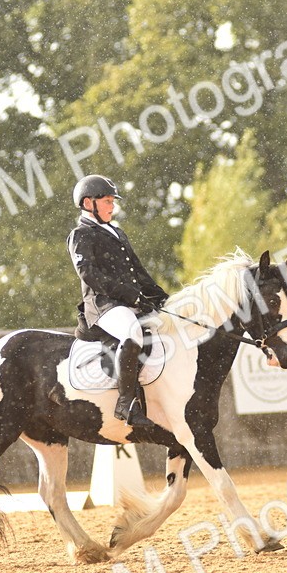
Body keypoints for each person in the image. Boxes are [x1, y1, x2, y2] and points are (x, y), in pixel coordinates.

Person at [66, 174, 170, 428]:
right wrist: (130, 295)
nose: (112, 206)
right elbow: (89, 275)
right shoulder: (80, 235)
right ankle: (126, 404)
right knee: (133, 333)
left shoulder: (117, 232)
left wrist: (162, 297)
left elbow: (138, 272)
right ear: (88, 203)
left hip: (127, 302)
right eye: (107, 201)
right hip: (102, 306)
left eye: (113, 201)